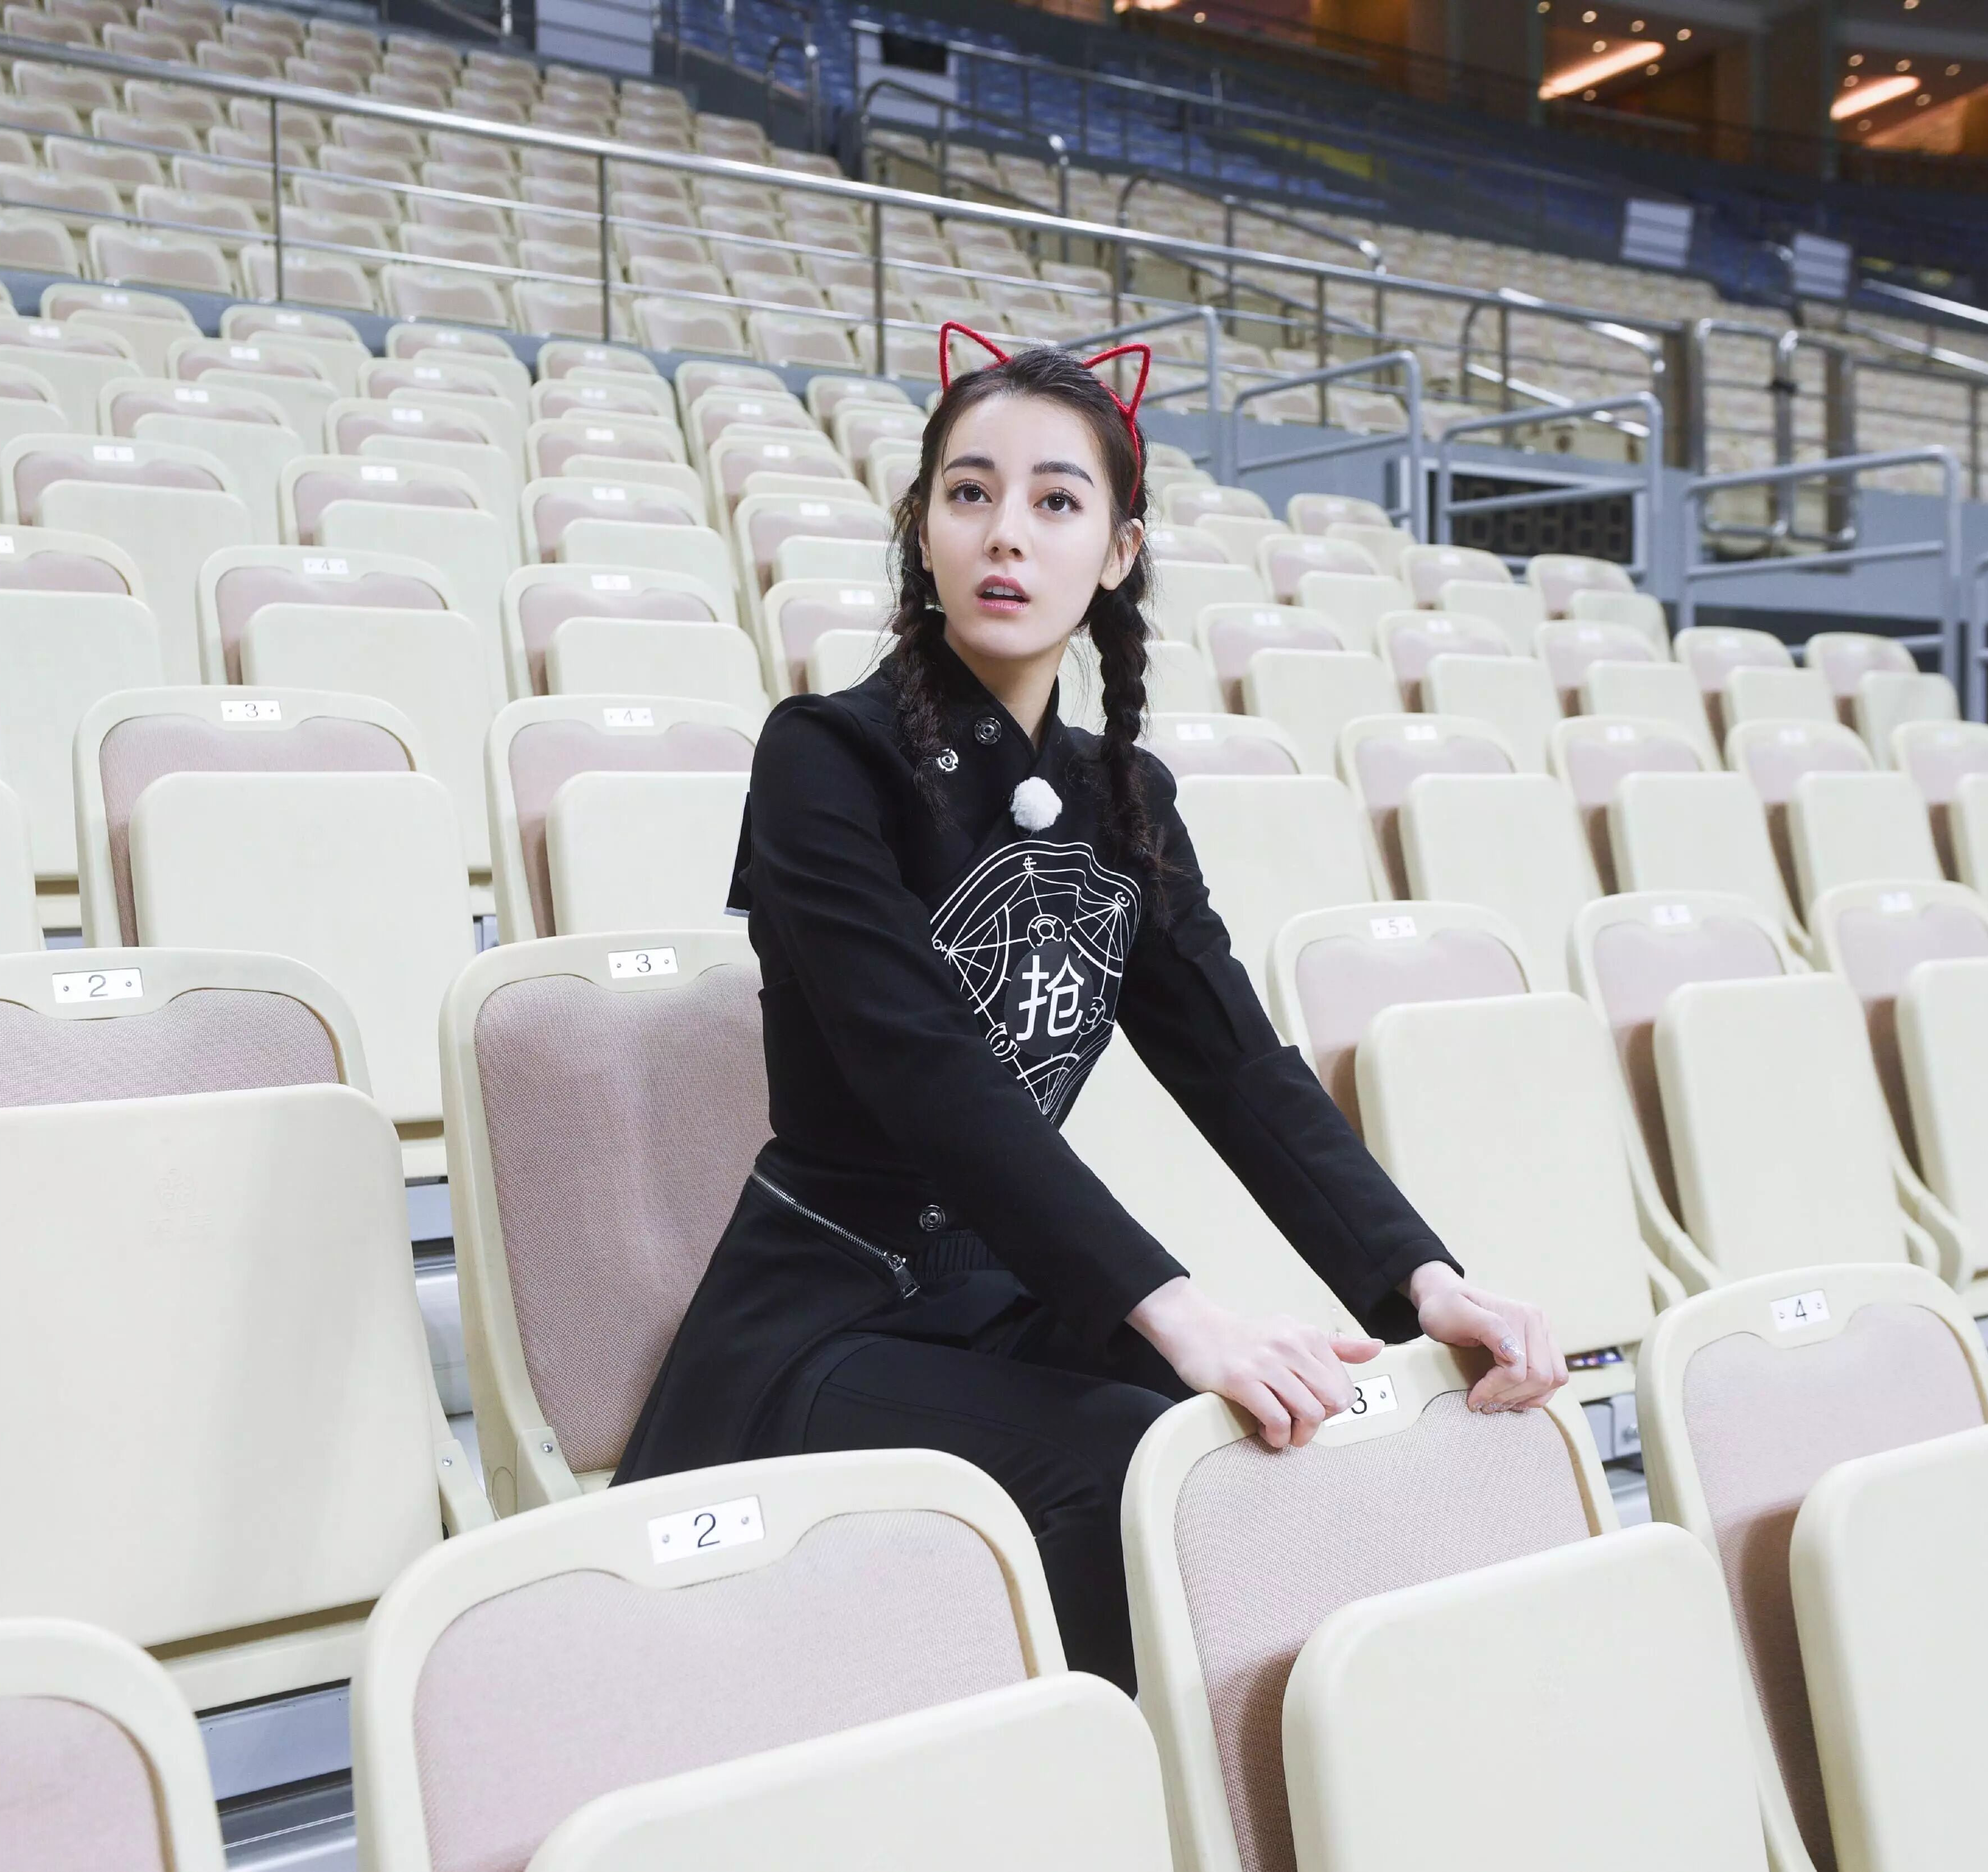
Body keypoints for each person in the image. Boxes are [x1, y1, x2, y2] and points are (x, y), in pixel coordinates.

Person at [617, 328, 1563, 1688]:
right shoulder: (823, 757)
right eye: (969, 492)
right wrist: (1175, 1305)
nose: (1006, 531)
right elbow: (928, 1071)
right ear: (925, 532)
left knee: (1258, 1436)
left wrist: (1423, 1282)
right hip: (821, 1319)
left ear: (1117, 551)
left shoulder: (1124, 797)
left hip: (1000, 1296)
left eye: (1055, 500)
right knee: (1130, 1457)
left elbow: (1240, 1068)